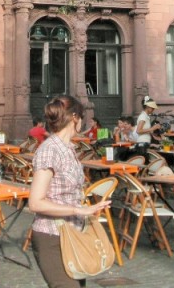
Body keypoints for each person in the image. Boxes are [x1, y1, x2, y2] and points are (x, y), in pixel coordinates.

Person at [29, 95, 113, 288]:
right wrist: (78, 210)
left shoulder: (68, 148)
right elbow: (36, 202)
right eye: (82, 117)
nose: (82, 122)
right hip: (52, 237)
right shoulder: (50, 150)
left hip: (74, 235)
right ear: (75, 117)